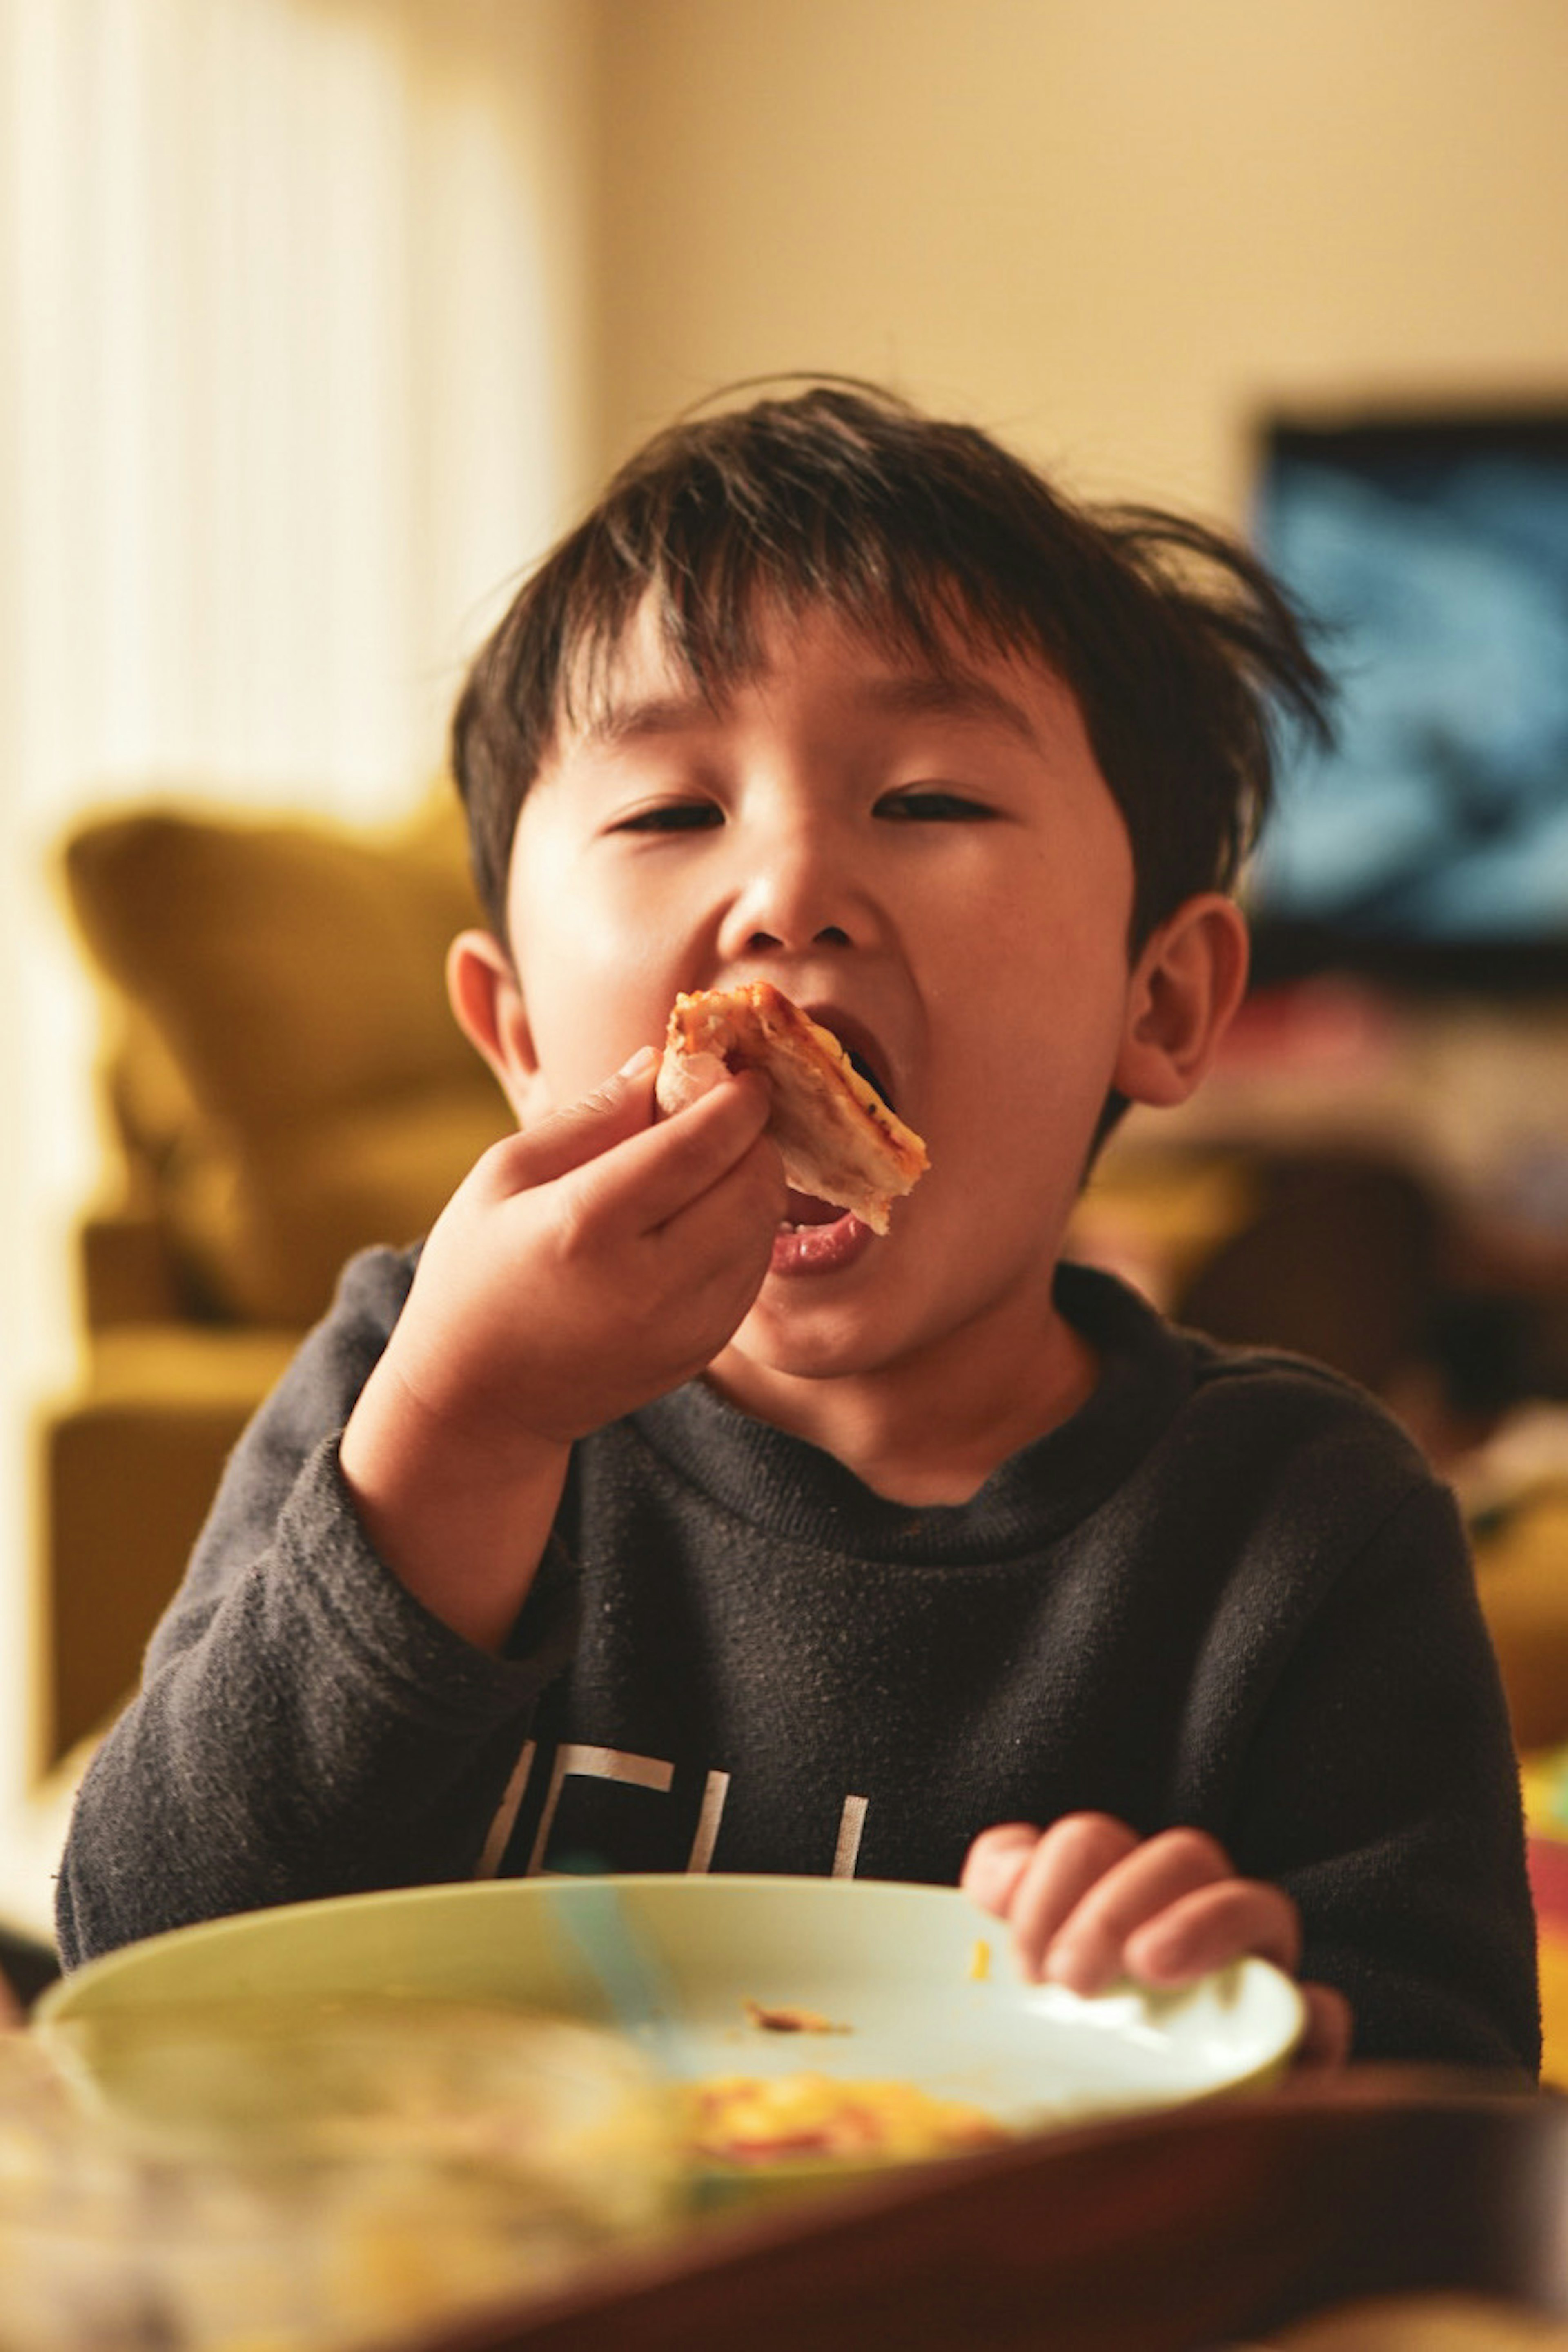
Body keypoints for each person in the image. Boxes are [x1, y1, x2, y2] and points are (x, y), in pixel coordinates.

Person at [55, 383, 1539, 2078]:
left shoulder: (1297, 1526)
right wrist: (459, 1438)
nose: (787, 894)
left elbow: (1467, 2122)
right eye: (673, 813)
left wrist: (1265, 2020)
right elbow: (139, 1959)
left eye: (927, 802)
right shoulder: (414, 1388)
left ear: (1168, 997)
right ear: (521, 1036)